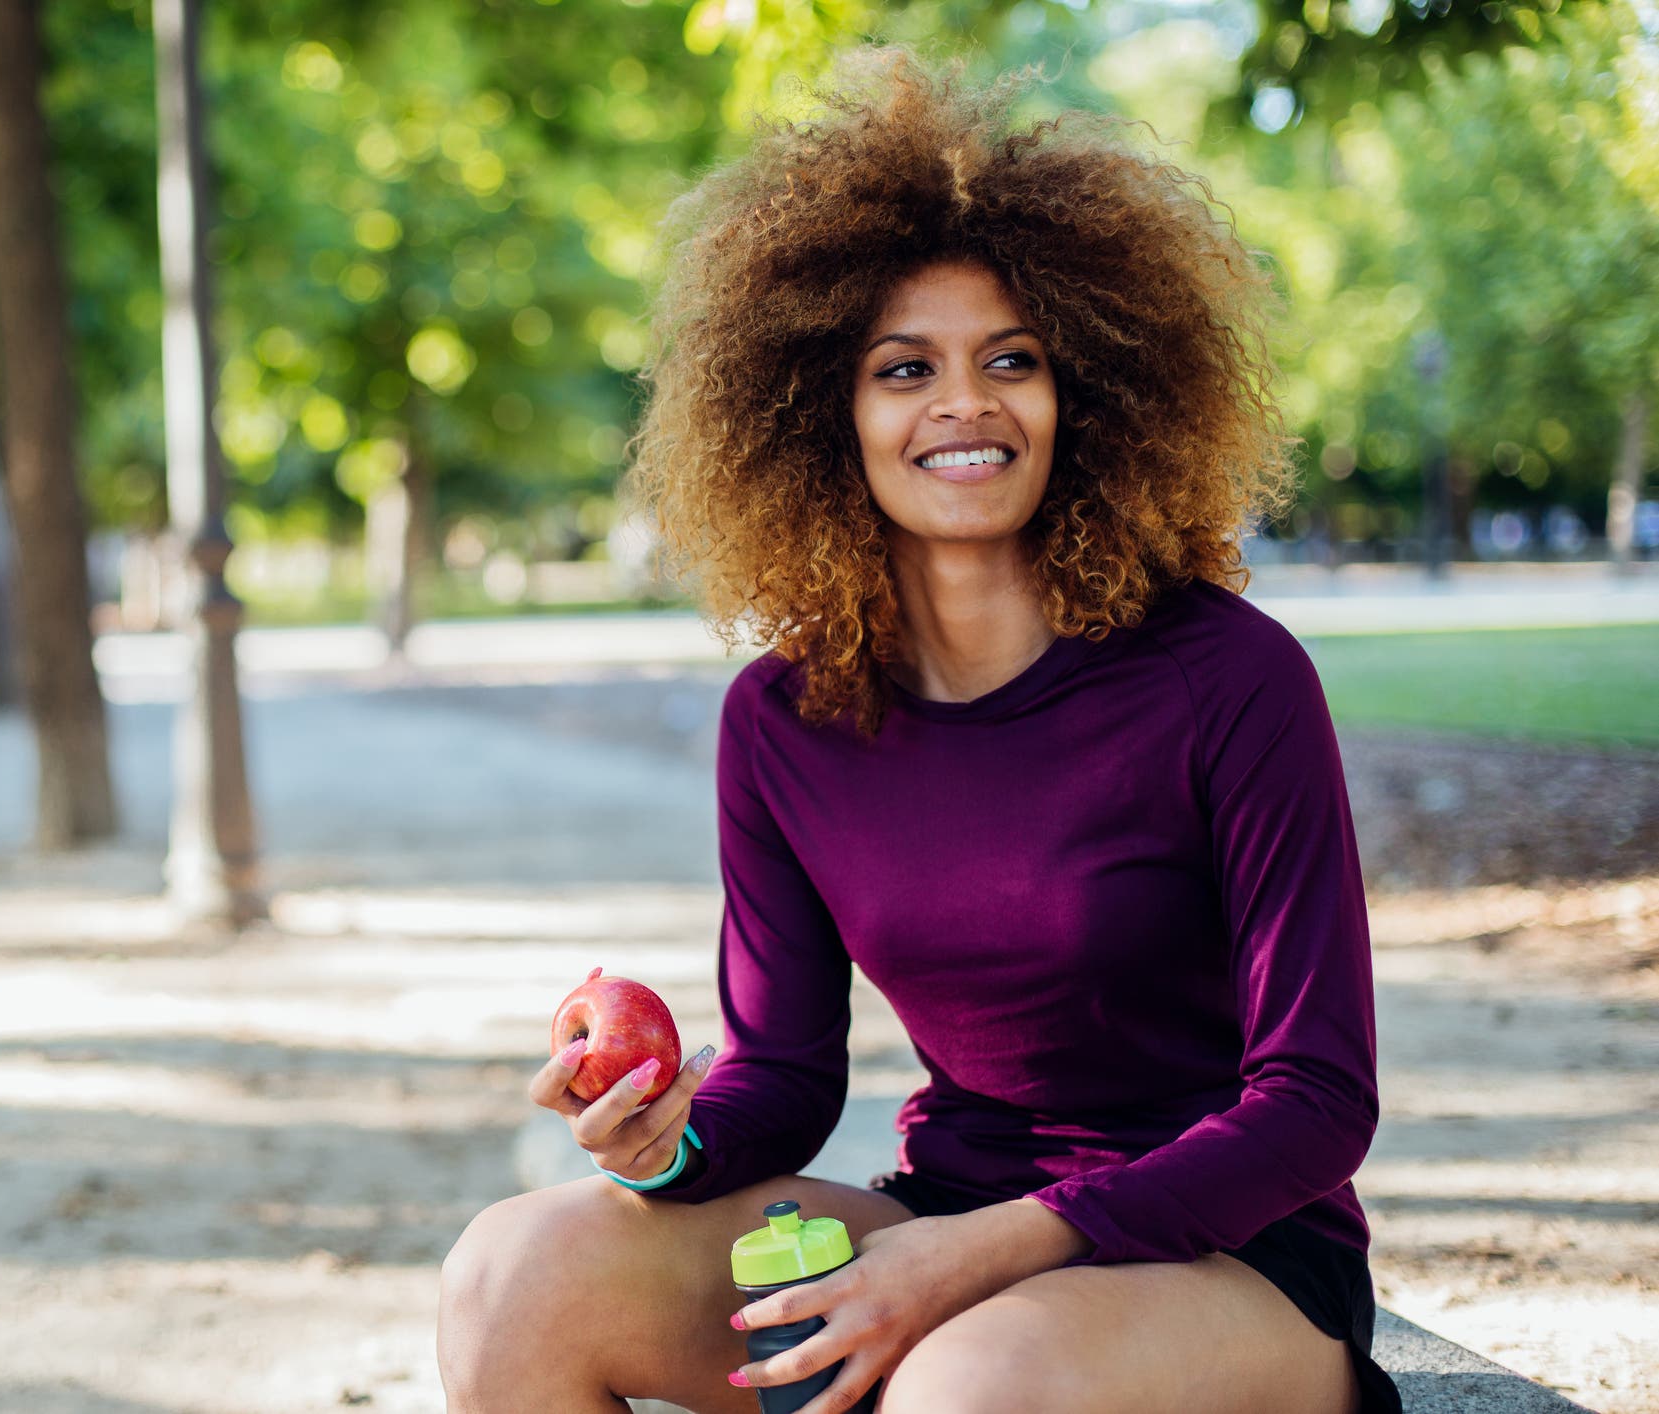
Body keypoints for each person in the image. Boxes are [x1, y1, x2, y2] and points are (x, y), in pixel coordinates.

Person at [438, 47, 1401, 1414]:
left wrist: (978, 1254)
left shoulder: (1230, 677)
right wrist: (663, 1144)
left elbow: (1315, 1101)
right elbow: (783, 1075)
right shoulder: (783, 720)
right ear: (821, 414)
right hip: (945, 1214)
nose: (965, 402)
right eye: (905, 368)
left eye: (1013, 360)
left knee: (963, 1384)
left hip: (1228, 1256)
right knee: (509, 1272)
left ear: (1086, 396)